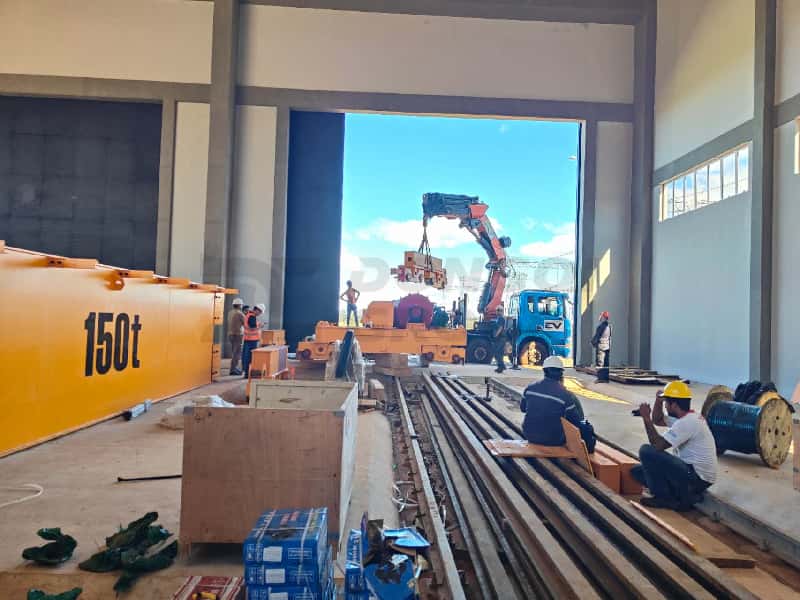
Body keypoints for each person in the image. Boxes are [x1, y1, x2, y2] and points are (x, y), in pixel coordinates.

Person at [632, 381, 717, 511]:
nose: (665, 406)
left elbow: (657, 445)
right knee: (636, 472)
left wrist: (646, 419)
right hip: (690, 472)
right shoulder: (686, 417)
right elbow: (658, 419)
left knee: (646, 451)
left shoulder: (688, 423)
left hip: (697, 478)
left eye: (666, 403)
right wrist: (658, 401)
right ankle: (686, 496)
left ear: (674, 405)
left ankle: (666, 498)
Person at [520, 356, 596, 450]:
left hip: (529, 435)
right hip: (553, 440)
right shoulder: (565, 395)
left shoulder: (530, 388)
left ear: (544, 371)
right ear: (561, 373)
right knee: (587, 428)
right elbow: (575, 421)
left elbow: (522, 409)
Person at [241, 303, 265, 378]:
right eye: (260, 312)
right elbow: (252, 327)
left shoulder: (249, 315)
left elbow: (251, 325)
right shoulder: (252, 316)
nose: (260, 314)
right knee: (249, 357)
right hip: (251, 340)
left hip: (248, 339)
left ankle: (246, 372)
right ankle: (247, 374)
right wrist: (260, 326)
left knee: (246, 356)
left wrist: (258, 325)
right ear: (257, 310)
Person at [591, 311, 612, 383]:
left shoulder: (601, 326)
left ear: (603, 317)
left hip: (601, 346)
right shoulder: (609, 326)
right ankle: (606, 378)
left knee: (600, 363)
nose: (599, 317)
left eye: (600, 316)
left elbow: (597, 336)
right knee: (606, 363)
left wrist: (593, 343)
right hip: (607, 346)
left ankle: (600, 378)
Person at [227, 298, 246, 376]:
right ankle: (233, 369)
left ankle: (234, 368)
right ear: (239, 305)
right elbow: (246, 323)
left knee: (234, 352)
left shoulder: (230, 312)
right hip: (238, 335)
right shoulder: (240, 313)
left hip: (231, 334)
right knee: (237, 353)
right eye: (241, 305)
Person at [492, 306, 507, 374]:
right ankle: (501, 367)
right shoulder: (498, 318)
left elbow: (500, 328)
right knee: (499, 353)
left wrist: (496, 335)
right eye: (496, 310)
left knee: (497, 352)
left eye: (498, 310)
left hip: (501, 338)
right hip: (500, 338)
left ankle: (501, 366)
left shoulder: (501, 318)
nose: (497, 311)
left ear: (501, 311)